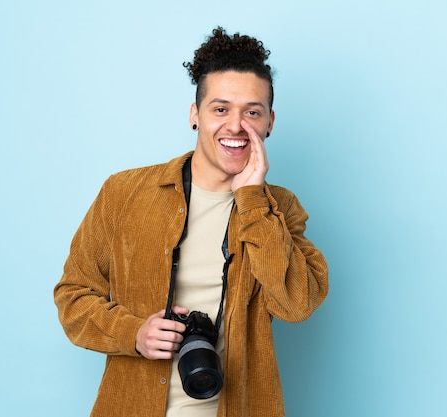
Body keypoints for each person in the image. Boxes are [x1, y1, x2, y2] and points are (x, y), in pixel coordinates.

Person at [54, 26, 329, 417]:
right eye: (220, 109)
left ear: (270, 122)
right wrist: (132, 333)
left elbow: (297, 303)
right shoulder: (124, 193)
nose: (236, 126)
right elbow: (73, 295)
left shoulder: (280, 208)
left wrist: (251, 199)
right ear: (194, 115)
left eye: (252, 112)